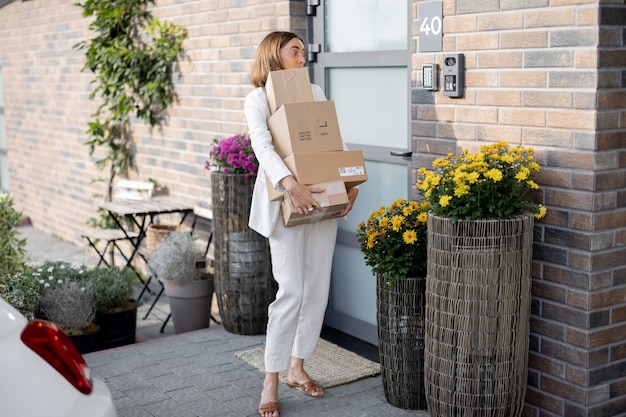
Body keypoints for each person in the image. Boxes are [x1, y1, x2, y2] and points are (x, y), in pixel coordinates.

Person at [244, 31, 359, 417]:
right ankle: (271, 378)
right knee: (291, 290)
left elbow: (331, 141)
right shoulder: (257, 98)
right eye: (295, 51)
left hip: (322, 200)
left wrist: (348, 184)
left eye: (302, 52)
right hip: (286, 202)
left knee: (316, 289)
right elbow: (262, 145)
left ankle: (298, 367)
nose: (303, 57)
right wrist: (290, 184)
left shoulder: (312, 88)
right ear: (273, 55)